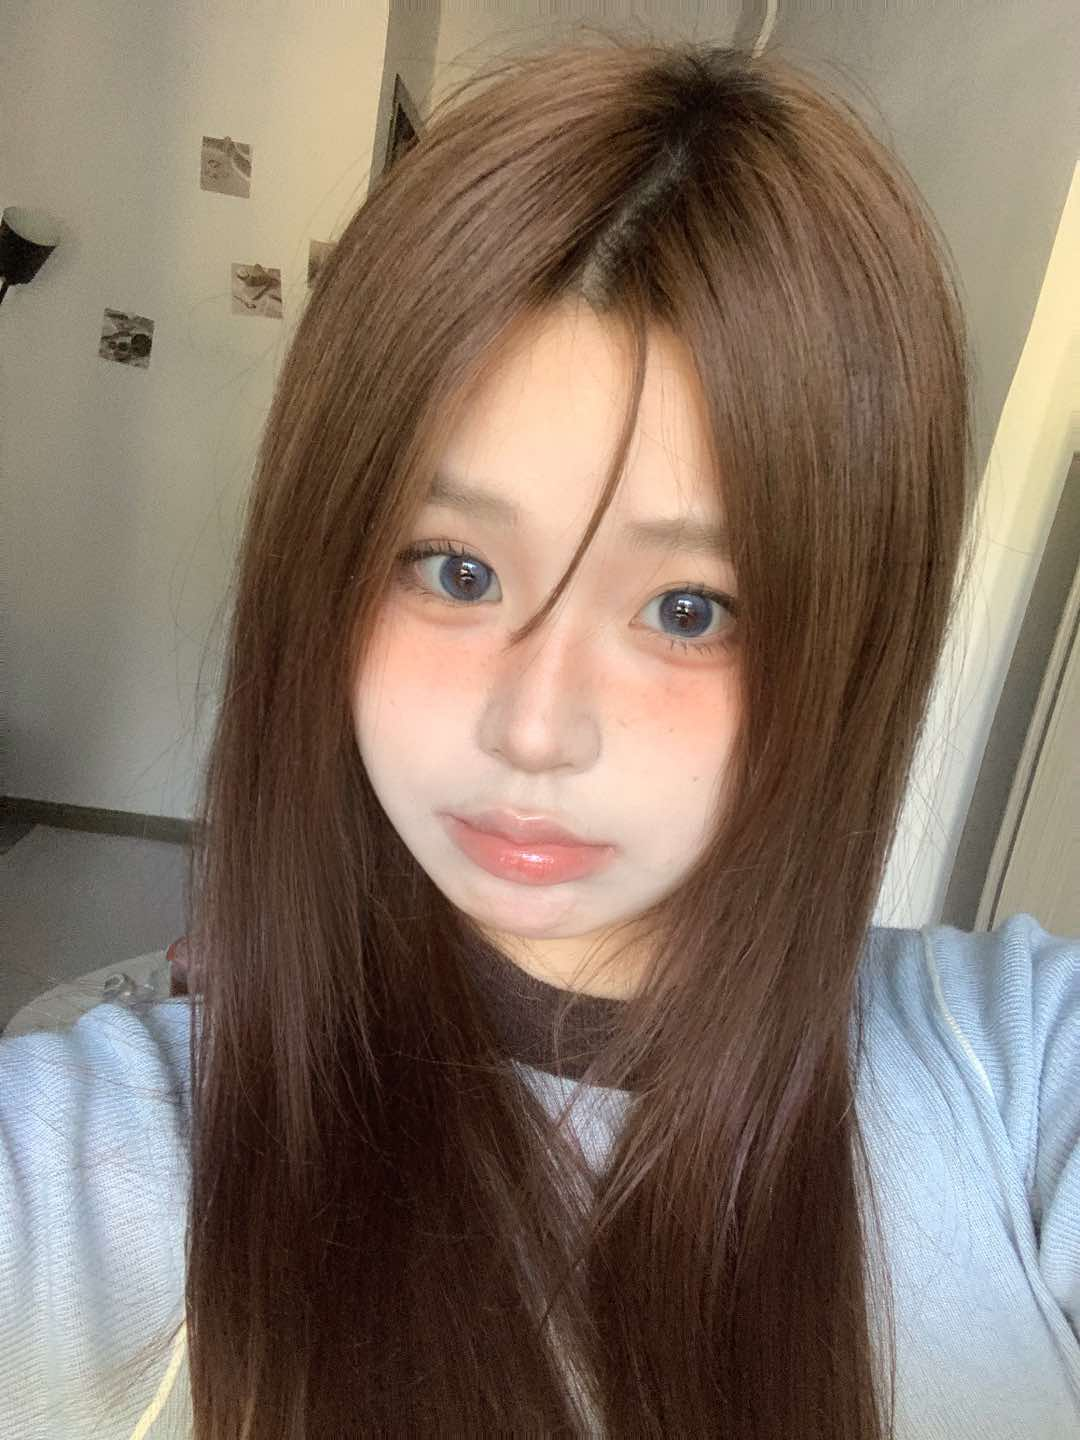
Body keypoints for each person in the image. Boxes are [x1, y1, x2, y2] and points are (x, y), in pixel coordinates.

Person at [2, 30, 1078, 1440]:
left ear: (852, 639)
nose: (533, 727)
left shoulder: (1017, 1070)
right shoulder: (85, 1156)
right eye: (456, 570)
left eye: (690, 609)